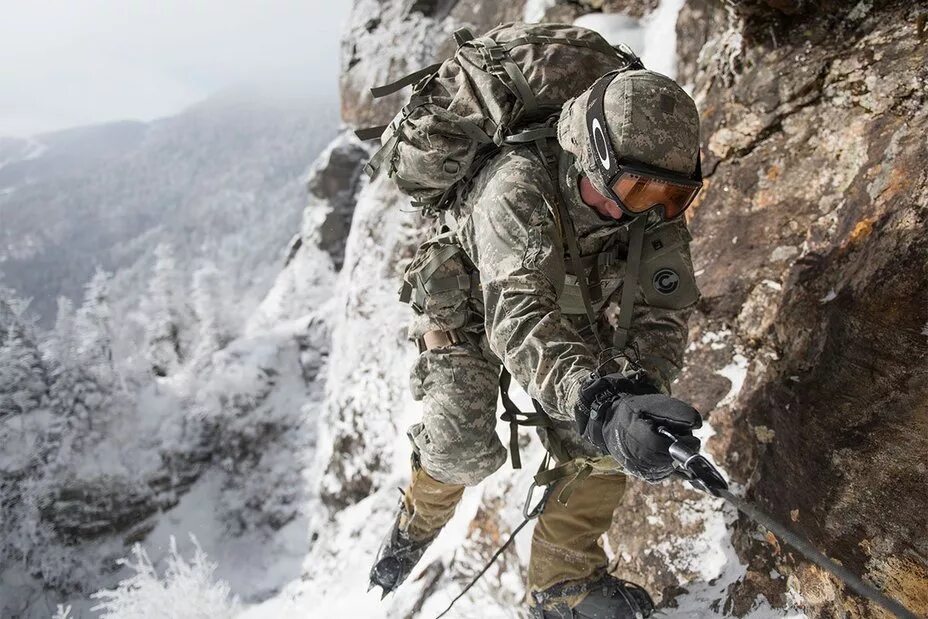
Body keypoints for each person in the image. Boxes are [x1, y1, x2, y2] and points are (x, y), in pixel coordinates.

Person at [370, 66, 705, 618]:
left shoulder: (651, 208)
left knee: (609, 436)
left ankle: (564, 586)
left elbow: (660, 315)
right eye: (631, 190)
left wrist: (637, 396)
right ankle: (412, 529)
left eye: (670, 196)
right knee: (460, 448)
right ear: (590, 156)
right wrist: (596, 397)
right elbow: (519, 319)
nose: (644, 211)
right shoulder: (517, 187)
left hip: (571, 290)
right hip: (475, 301)